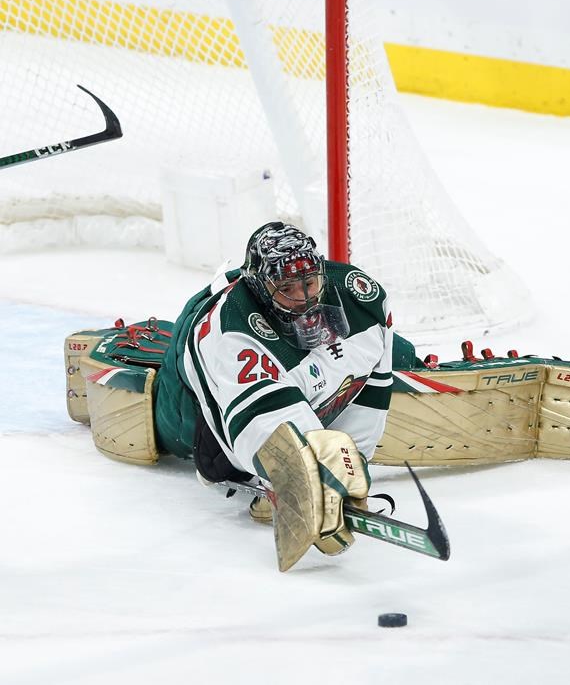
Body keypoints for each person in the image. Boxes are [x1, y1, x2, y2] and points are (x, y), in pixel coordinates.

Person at [154, 221, 394, 571]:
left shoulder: (361, 297)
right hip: (189, 400)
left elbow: (371, 386)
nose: (304, 297)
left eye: (309, 283)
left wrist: (353, 465)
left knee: (400, 354)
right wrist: (297, 483)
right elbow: (263, 423)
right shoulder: (234, 330)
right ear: (261, 289)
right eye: (286, 288)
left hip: (298, 372)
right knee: (203, 449)